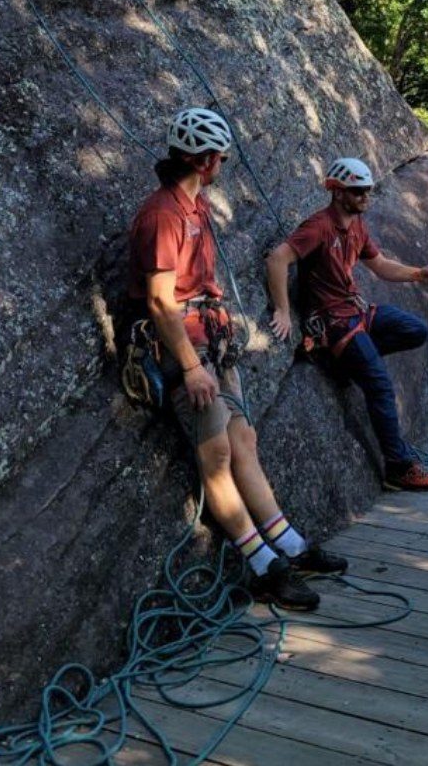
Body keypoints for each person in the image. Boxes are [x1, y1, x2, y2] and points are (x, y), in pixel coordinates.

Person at [127, 108, 345, 610]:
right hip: (186, 347)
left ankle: (289, 546)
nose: (223, 165)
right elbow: (161, 300)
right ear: (205, 161)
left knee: (243, 439)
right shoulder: (163, 214)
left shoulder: (195, 204)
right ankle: (262, 565)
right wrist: (190, 366)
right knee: (218, 455)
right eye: (220, 158)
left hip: (213, 341)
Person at [265, 157, 428, 493]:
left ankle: (347, 362)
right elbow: (278, 259)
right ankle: (398, 467)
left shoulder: (358, 226)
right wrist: (283, 311)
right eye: (358, 191)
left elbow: (380, 265)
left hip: (358, 312)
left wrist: (418, 274)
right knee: (379, 384)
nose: (365, 196)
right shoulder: (318, 227)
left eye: (368, 191)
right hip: (333, 322)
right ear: (337, 192)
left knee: (414, 329)